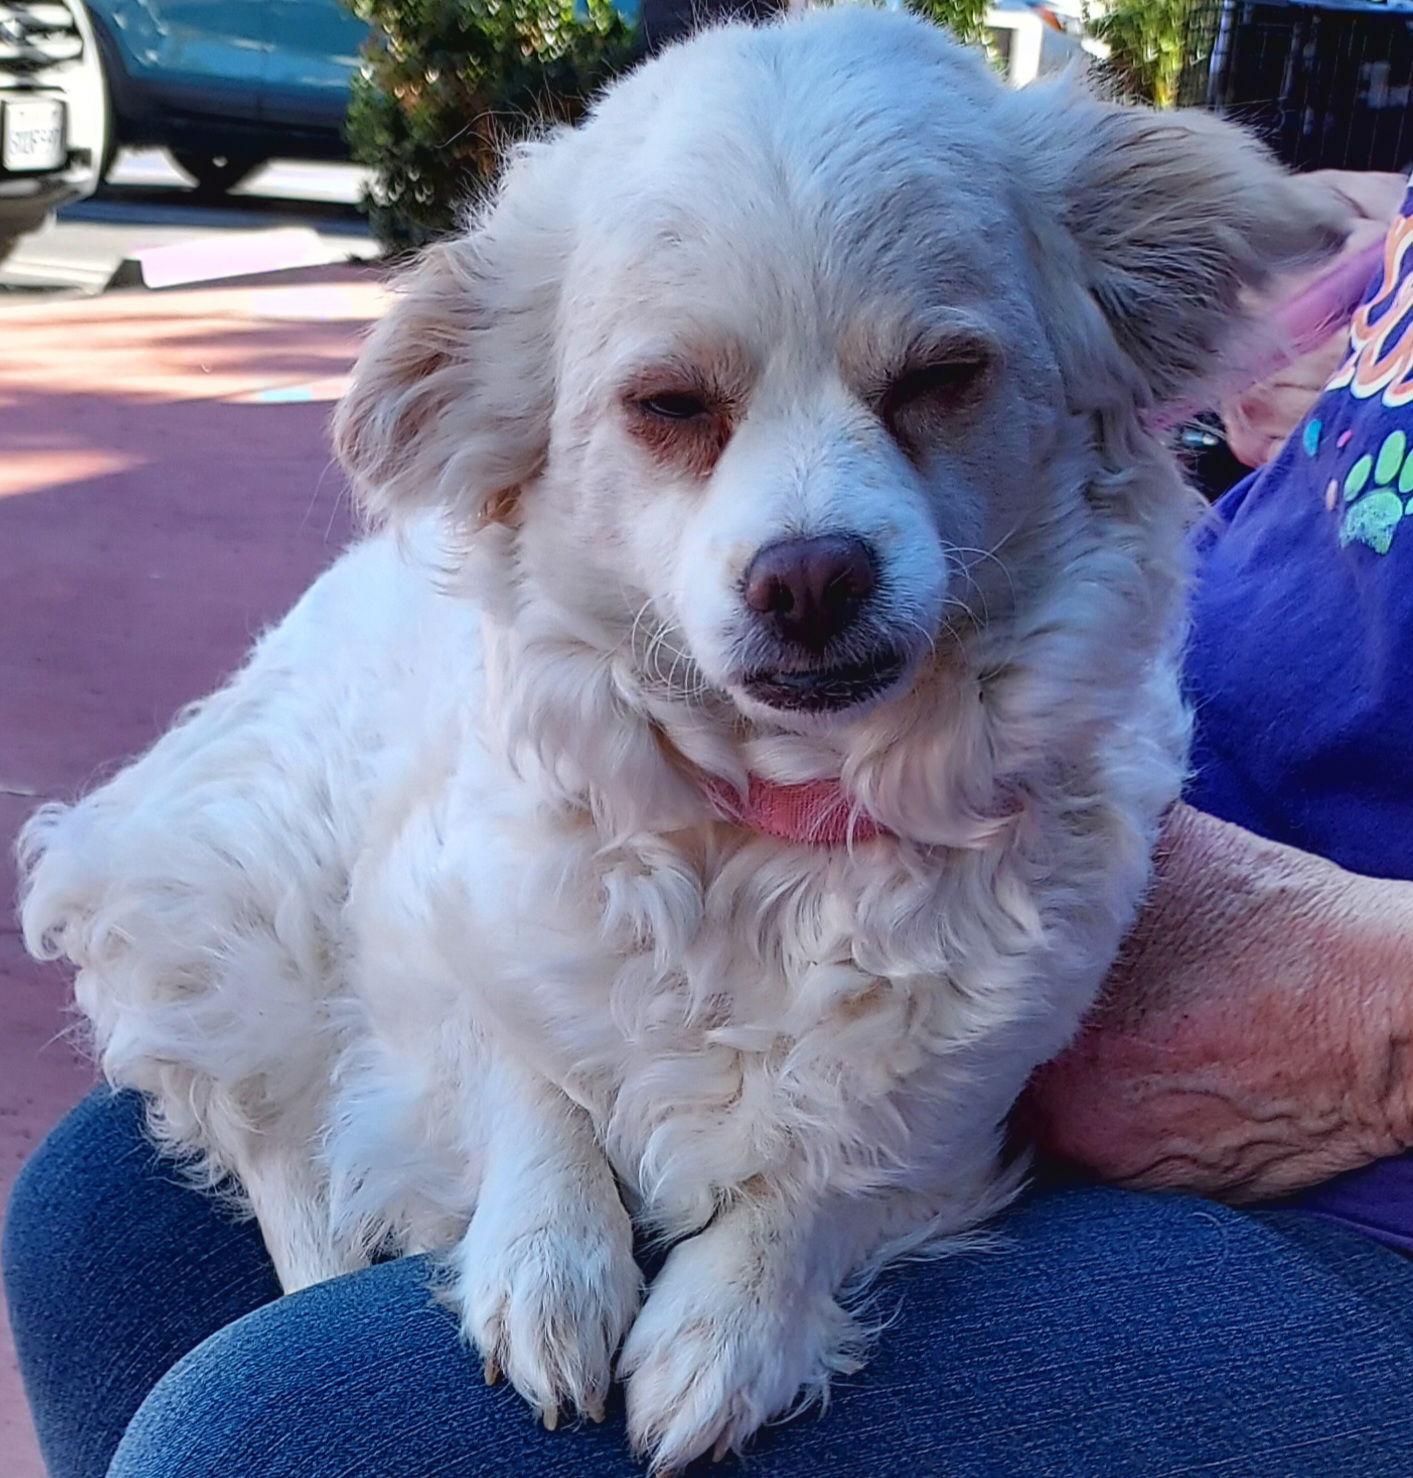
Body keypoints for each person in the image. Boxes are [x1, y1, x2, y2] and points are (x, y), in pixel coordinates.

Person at [10, 173, 1413, 1478]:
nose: (800, 529)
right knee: (102, 1230)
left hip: (1328, 1129)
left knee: (288, 1435)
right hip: (1115, 806)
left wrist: (1364, 1006)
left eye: (929, 378)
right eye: (679, 405)